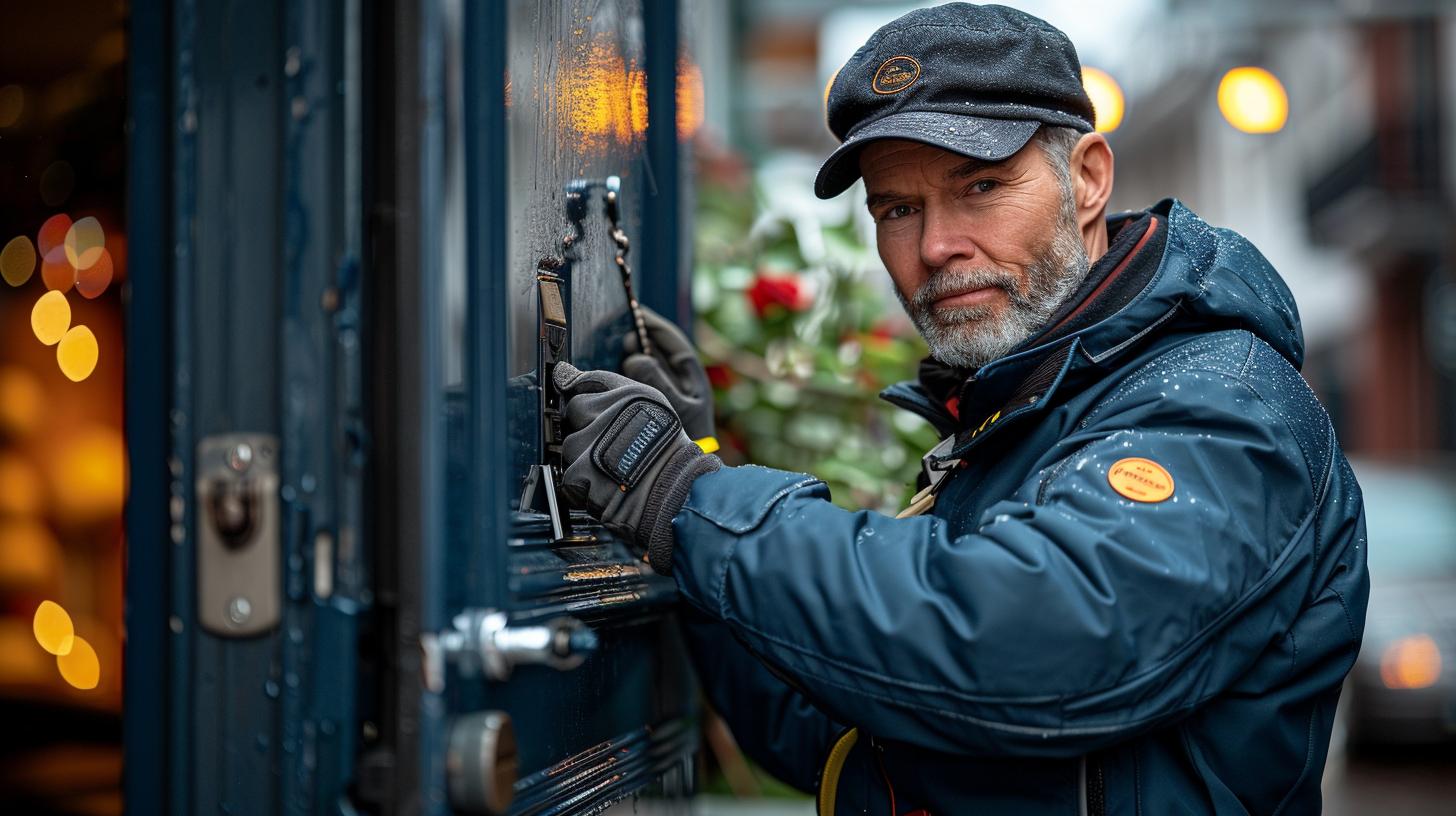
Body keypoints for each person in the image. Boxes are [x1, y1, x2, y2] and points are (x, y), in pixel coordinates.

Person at [550, 4, 1369, 813]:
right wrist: (693, 478)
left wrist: (694, 502)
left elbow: (1030, 648)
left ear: (1085, 179)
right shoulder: (1032, 407)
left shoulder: (1218, 400)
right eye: (898, 208)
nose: (937, 245)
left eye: (980, 186)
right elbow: (833, 727)